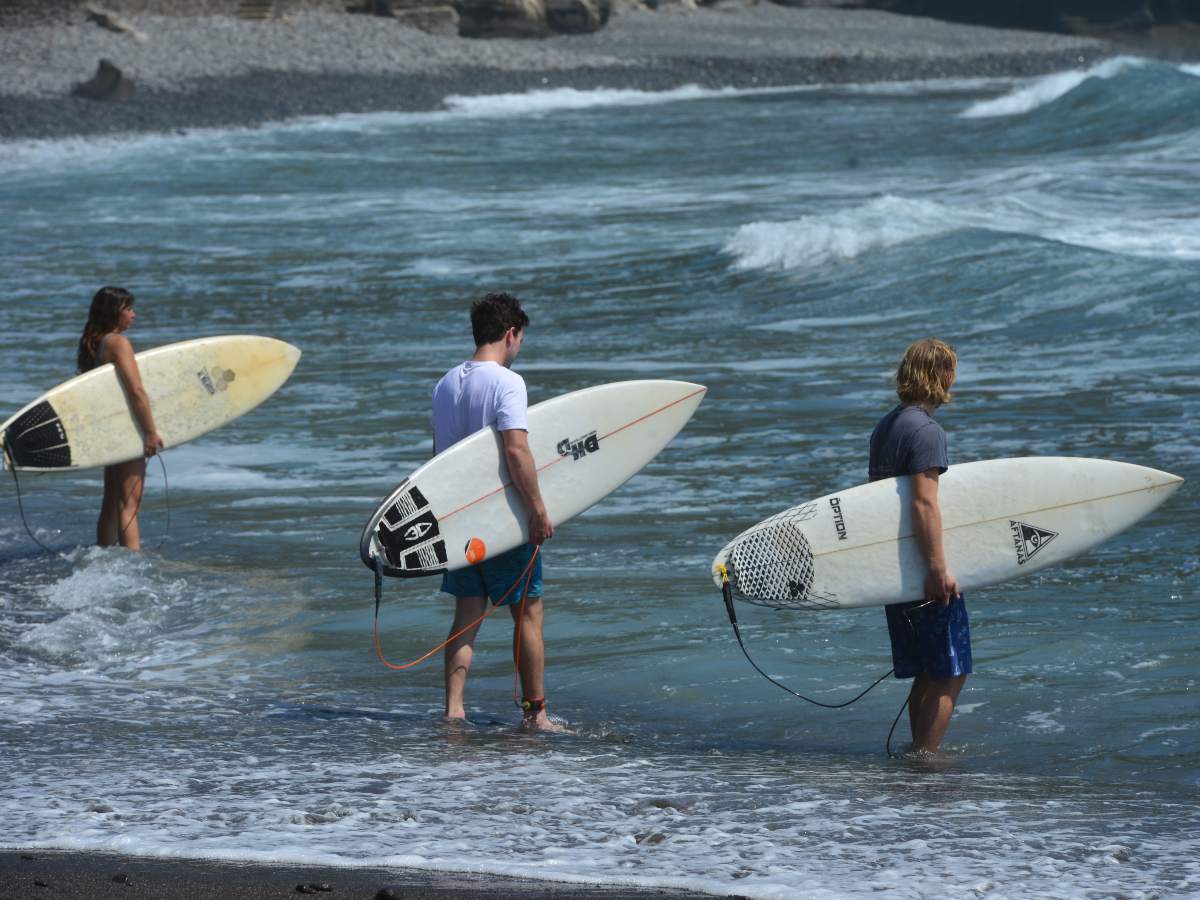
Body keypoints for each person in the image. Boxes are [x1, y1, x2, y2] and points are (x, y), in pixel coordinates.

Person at [431, 292, 559, 731]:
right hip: (503, 520)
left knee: (467, 614)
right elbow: (516, 449)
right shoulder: (508, 382)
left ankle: (453, 710)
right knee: (527, 613)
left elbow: (438, 462)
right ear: (510, 333)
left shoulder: (445, 385)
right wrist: (539, 512)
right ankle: (535, 714)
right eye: (519, 338)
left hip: (460, 521)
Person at [869, 338, 970, 755]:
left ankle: (917, 754)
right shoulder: (927, 431)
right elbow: (924, 501)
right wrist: (936, 568)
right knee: (950, 671)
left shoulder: (887, 426)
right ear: (942, 376)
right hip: (920, 567)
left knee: (927, 671)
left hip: (894, 568)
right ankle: (926, 761)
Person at [76, 287, 164, 550]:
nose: (133, 315)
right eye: (128, 309)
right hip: (127, 429)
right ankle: (131, 566)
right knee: (129, 503)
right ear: (115, 312)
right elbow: (136, 390)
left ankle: (104, 557)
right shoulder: (117, 343)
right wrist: (149, 432)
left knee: (112, 500)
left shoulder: (93, 343)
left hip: (110, 429)